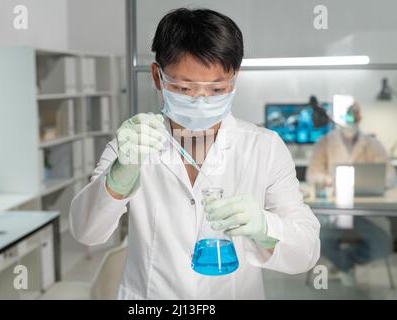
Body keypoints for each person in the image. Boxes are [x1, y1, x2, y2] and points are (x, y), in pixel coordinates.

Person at [70, 8, 320, 299]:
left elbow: (306, 252)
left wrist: (264, 226)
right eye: (184, 87)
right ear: (157, 76)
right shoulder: (132, 146)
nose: (200, 101)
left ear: (234, 79)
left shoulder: (264, 147)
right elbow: (86, 232)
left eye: (216, 89)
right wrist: (119, 176)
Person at [307, 102, 397, 286]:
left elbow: (390, 175)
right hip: (334, 212)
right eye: (347, 116)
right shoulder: (326, 142)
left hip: (365, 213)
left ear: (359, 118)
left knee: (384, 244)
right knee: (319, 241)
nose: (350, 120)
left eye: (353, 116)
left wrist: (375, 181)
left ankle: (343, 263)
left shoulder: (372, 144)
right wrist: (330, 180)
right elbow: (312, 174)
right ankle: (344, 265)